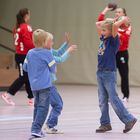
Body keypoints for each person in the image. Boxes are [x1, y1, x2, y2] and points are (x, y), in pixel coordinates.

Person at [95, 17, 137, 133]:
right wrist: (112, 20)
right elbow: (97, 23)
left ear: (111, 31)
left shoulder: (114, 40)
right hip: (100, 72)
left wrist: (121, 21)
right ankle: (105, 124)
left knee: (113, 98)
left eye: (104, 30)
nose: (102, 32)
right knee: (102, 100)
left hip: (109, 72)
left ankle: (129, 119)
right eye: (102, 30)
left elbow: (114, 27)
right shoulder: (104, 38)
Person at [23, 29, 56, 138]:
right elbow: (53, 69)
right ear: (44, 41)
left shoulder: (29, 53)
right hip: (45, 86)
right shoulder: (47, 53)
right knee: (43, 108)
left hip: (33, 86)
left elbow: (25, 67)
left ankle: (36, 129)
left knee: (37, 107)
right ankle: (36, 129)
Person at [44, 33, 77, 134]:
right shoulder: (46, 54)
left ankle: (48, 124)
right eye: (51, 41)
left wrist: (66, 44)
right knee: (58, 105)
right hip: (47, 84)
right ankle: (50, 126)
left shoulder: (48, 51)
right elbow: (60, 59)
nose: (53, 43)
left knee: (57, 104)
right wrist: (68, 51)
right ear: (44, 43)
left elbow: (58, 53)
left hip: (47, 84)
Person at [98, 7, 132, 102]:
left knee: (124, 74)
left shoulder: (127, 25)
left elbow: (125, 39)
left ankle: (125, 95)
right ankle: (111, 95)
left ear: (124, 14)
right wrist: (105, 10)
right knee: (111, 74)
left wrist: (116, 33)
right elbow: (100, 23)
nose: (117, 13)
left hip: (122, 53)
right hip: (112, 52)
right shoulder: (113, 24)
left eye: (119, 12)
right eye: (116, 12)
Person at [1, 8, 34, 106]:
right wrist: (38, 47)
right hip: (23, 56)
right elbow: (28, 42)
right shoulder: (26, 27)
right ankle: (8, 94)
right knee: (23, 77)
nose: (30, 16)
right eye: (29, 14)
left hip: (20, 55)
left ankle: (31, 98)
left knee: (27, 76)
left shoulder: (16, 28)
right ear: (26, 16)